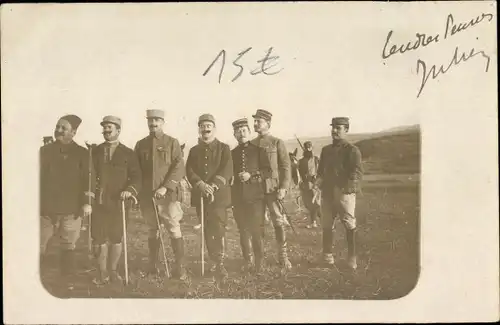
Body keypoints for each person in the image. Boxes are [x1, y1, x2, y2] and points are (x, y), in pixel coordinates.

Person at [40, 114, 95, 289]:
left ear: (74, 132)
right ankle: (35, 279)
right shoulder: (45, 151)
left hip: (72, 209)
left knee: (68, 244)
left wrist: (87, 202)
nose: (59, 130)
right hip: (46, 209)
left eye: (64, 128)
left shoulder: (82, 153)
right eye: (58, 126)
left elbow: (89, 179)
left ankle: (67, 281)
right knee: (38, 243)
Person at [134, 109, 187, 280]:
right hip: (148, 196)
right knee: (152, 230)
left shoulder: (172, 142)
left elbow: (179, 167)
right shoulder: (140, 144)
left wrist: (166, 187)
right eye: (150, 120)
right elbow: (136, 170)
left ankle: (180, 267)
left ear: (163, 122)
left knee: (173, 228)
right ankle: (153, 264)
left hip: (168, 195)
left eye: (157, 120)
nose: (153, 123)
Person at [91, 116, 142, 284]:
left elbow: (136, 177)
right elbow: (89, 176)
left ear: (118, 130)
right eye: (104, 127)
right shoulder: (95, 151)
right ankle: (102, 272)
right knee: (98, 238)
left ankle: (113, 271)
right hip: (98, 202)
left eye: (109, 127)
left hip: (118, 203)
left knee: (116, 237)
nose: (106, 130)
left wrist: (129, 190)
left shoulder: (128, 153)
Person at [186, 114, 233, 277]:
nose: (205, 129)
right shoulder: (193, 151)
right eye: (202, 126)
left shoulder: (224, 148)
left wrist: (213, 186)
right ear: (199, 129)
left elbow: (227, 169)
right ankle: (213, 260)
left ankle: (220, 263)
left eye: (208, 125)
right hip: (201, 196)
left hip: (219, 197)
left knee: (218, 228)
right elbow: (189, 170)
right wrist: (201, 185)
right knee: (206, 228)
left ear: (214, 128)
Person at [315, 117, 363, 270]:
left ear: (346, 130)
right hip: (327, 193)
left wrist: (346, 188)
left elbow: (356, 172)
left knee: (349, 224)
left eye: (339, 128)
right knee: (327, 225)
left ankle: (352, 258)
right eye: (333, 127)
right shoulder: (326, 150)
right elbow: (321, 171)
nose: (334, 131)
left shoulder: (352, 150)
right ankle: (327, 257)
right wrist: (318, 182)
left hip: (344, 193)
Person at [250, 109, 292, 270]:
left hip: (273, 190)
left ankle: (283, 256)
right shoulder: (251, 144)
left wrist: (284, 187)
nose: (255, 124)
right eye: (254, 121)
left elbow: (285, 167)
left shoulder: (277, 142)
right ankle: (260, 258)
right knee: (257, 224)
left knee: (278, 222)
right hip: (255, 191)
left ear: (267, 123)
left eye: (258, 121)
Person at [231, 118, 272, 274]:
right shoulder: (232, 153)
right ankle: (248, 261)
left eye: (244, 130)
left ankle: (259, 263)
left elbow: (268, 171)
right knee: (243, 230)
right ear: (234, 134)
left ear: (249, 132)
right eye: (238, 131)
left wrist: (252, 175)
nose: (241, 134)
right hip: (238, 198)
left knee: (256, 230)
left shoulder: (259, 151)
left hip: (256, 198)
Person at [298, 141, 321, 229]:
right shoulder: (301, 161)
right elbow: (299, 173)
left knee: (314, 204)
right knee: (308, 204)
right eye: (306, 147)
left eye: (309, 147)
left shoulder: (316, 159)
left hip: (314, 184)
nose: (308, 149)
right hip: (305, 185)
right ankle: (323, 220)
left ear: (312, 147)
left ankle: (314, 222)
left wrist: (316, 178)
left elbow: (321, 170)